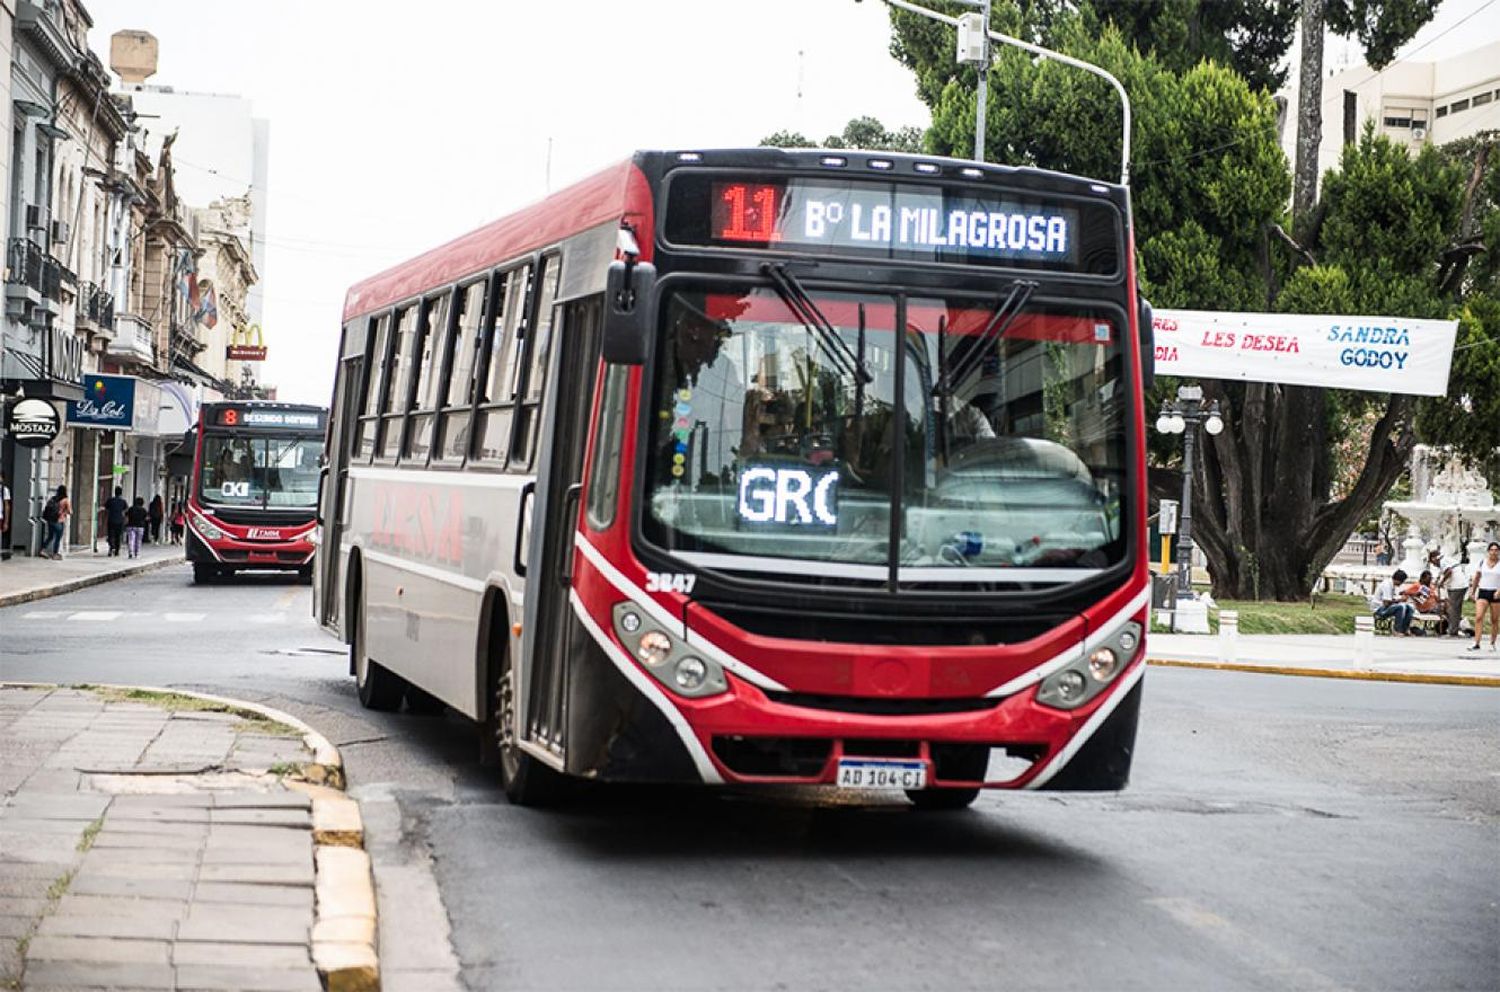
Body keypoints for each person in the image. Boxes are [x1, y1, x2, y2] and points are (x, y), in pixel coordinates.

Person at [1466, 541, 1500, 652]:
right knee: (1479, 617)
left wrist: (1499, 591)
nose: (1494, 553)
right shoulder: (1482, 563)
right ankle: (1476, 642)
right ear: (1488, 551)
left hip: (1495, 592)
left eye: (1496, 550)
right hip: (1483, 591)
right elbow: (1477, 577)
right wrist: (1472, 591)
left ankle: (1492, 642)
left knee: (1494, 619)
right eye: (1492, 550)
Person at [1368, 568, 1416, 636]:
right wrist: (1400, 600)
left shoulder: (1392, 585)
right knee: (1400, 607)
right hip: (1380, 609)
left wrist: (1400, 599)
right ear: (1398, 580)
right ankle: (1397, 630)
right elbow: (1386, 603)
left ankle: (1405, 629)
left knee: (1409, 607)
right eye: (1402, 582)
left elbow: (1391, 600)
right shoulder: (1387, 585)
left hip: (1385, 607)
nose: (1402, 584)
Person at [1444, 546, 1470, 637]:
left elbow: (1449, 571)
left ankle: (1452, 630)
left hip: (1457, 586)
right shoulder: (1448, 560)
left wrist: (1441, 582)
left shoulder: (1442, 561)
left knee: (1453, 609)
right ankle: (1454, 629)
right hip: (1461, 584)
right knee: (1456, 609)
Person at [41, 485, 69, 559]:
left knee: (50, 536)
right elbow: (70, 511)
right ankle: (55, 554)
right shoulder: (65, 500)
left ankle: (42, 549)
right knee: (58, 538)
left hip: (50, 520)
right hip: (59, 521)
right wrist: (65, 512)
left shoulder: (53, 498)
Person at [102, 486, 127, 557]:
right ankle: (117, 551)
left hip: (111, 520)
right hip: (119, 520)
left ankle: (111, 547)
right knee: (118, 536)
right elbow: (125, 510)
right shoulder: (123, 501)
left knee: (111, 535)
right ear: (121, 493)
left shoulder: (110, 500)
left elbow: (106, 508)